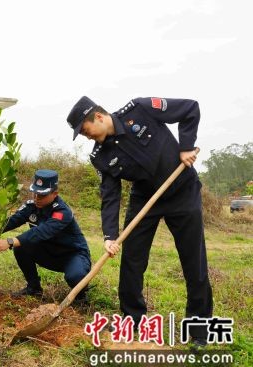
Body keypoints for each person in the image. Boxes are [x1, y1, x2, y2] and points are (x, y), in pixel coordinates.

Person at [66, 96, 213, 346]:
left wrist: (186, 145)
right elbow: (110, 196)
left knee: (193, 261)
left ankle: (199, 330)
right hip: (145, 199)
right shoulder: (100, 156)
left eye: (85, 130)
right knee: (132, 260)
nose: (85, 136)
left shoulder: (141, 109)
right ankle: (132, 319)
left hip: (181, 190)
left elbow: (190, 108)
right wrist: (109, 235)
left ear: (99, 117)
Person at [0, 169, 92, 300]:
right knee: (21, 247)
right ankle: (34, 288)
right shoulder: (31, 206)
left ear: (55, 193)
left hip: (72, 255)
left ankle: (81, 295)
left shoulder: (62, 211)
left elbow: (41, 232)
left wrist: (9, 241)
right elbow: (13, 220)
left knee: (76, 276)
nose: (36, 198)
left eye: (42, 195)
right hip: (48, 253)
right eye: (35, 193)